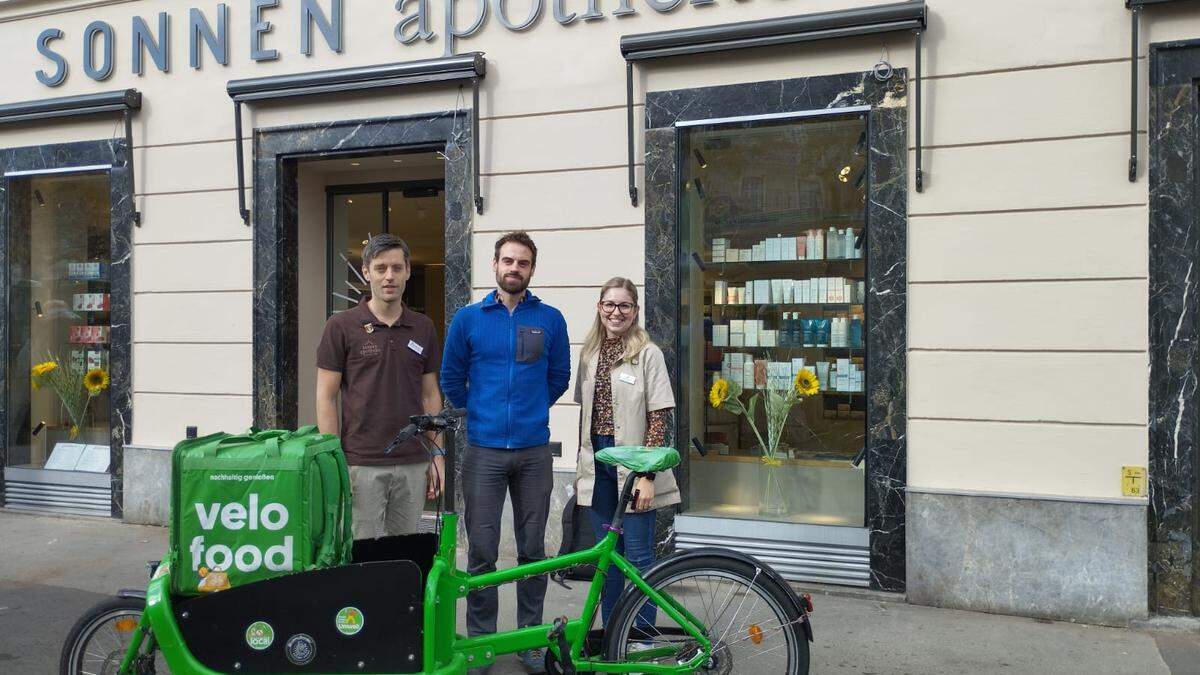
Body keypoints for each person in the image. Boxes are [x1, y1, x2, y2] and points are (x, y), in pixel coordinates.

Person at [440, 231, 570, 674]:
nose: (515, 269)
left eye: (524, 263)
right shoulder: (469, 319)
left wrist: (529, 411)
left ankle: (531, 640)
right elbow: (452, 377)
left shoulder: (550, 319)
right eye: (508, 261)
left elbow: (559, 377)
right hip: (484, 453)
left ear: (532, 269)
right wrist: (480, 413)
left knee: (533, 549)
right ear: (494, 265)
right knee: (481, 550)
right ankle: (481, 642)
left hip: (533, 453)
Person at [316, 233, 444, 540]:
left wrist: (437, 455)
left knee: (406, 554)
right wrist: (334, 460)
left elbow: (430, 394)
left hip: (413, 461)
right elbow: (325, 397)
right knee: (360, 554)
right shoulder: (341, 326)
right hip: (360, 462)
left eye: (397, 268)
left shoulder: (423, 327)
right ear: (366, 271)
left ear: (408, 272)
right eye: (381, 268)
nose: (389, 276)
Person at [574, 277, 678, 631]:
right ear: (599, 307)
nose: (616, 312)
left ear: (635, 311)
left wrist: (647, 476)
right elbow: (584, 415)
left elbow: (659, 416)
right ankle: (613, 637)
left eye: (624, 306)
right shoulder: (589, 353)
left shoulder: (648, 353)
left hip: (633, 465)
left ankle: (643, 639)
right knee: (609, 560)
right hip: (598, 464)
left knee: (639, 558)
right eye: (609, 305)